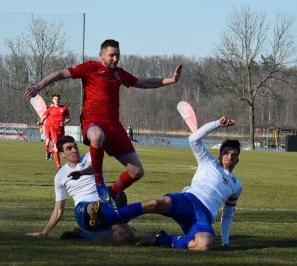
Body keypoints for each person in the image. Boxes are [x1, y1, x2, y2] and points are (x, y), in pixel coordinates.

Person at [24, 39, 182, 205]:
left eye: (118, 55)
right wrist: (37, 86)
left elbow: (145, 82)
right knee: (97, 135)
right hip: (92, 122)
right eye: (112, 55)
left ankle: (111, 192)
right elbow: (61, 74)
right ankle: (98, 179)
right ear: (101, 55)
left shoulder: (119, 74)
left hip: (114, 126)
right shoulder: (90, 67)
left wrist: (171, 80)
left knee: (136, 171)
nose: (115, 59)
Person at [89, 116, 242, 251]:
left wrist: (226, 242)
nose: (230, 157)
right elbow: (193, 139)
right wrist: (217, 123)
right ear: (219, 155)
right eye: (226, 153)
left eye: (234, 155)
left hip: (203, 215)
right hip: (187, 200)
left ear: (238, 159)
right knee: (154, 203)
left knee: (205, 244)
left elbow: (228, 215)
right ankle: (105, 219)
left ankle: (159, 239)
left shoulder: (237, 185)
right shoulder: (208, 162)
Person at [26, 135, 133, 242]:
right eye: (69, 148)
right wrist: (45, 232)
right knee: (95, 206)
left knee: (126, 234)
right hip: (83, 209)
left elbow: (96, 168)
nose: (74, 150)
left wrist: (81, 173)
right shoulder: (60, 176)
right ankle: (120, 214)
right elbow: (58, 209)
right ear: (62, 154)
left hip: (105, 207)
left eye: (75, 146)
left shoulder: (89, 157)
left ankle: (81, 235)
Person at [38, 94, 70, 169]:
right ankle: (58, 165)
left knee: (60, 147)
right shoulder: (50, 109)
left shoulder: (64, 108)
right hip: (53, 131)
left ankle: (49, 151)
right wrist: (40, 123)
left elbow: (69, 118)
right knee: (56, 147)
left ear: (60, 99)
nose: (56, 100)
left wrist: (64, 123)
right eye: (55, 99)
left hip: (61, 131)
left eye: (58, 99)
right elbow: (44, 117)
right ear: (52, 100)